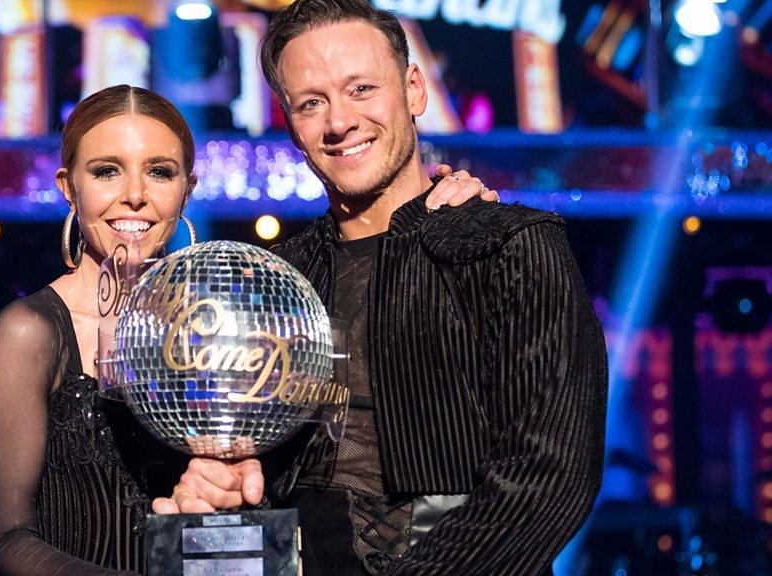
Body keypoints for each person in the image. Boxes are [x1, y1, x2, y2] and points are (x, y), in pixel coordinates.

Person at [155, 1, 609, 575]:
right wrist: (210, 514)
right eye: (311, 103)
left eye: (362, 88)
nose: (338, 121)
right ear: (290, 123)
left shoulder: (511, 247)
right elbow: (248, 504)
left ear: (414, 90)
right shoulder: (271, 280)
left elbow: (551, 477)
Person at [0, 84, 495, 575]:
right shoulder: (32, 332)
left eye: (160, 172)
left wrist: (435, 207)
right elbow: (5, 542)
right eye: (107, 171)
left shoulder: (219, 324)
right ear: (69, 187)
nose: (135, 195)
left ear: (187, 189)